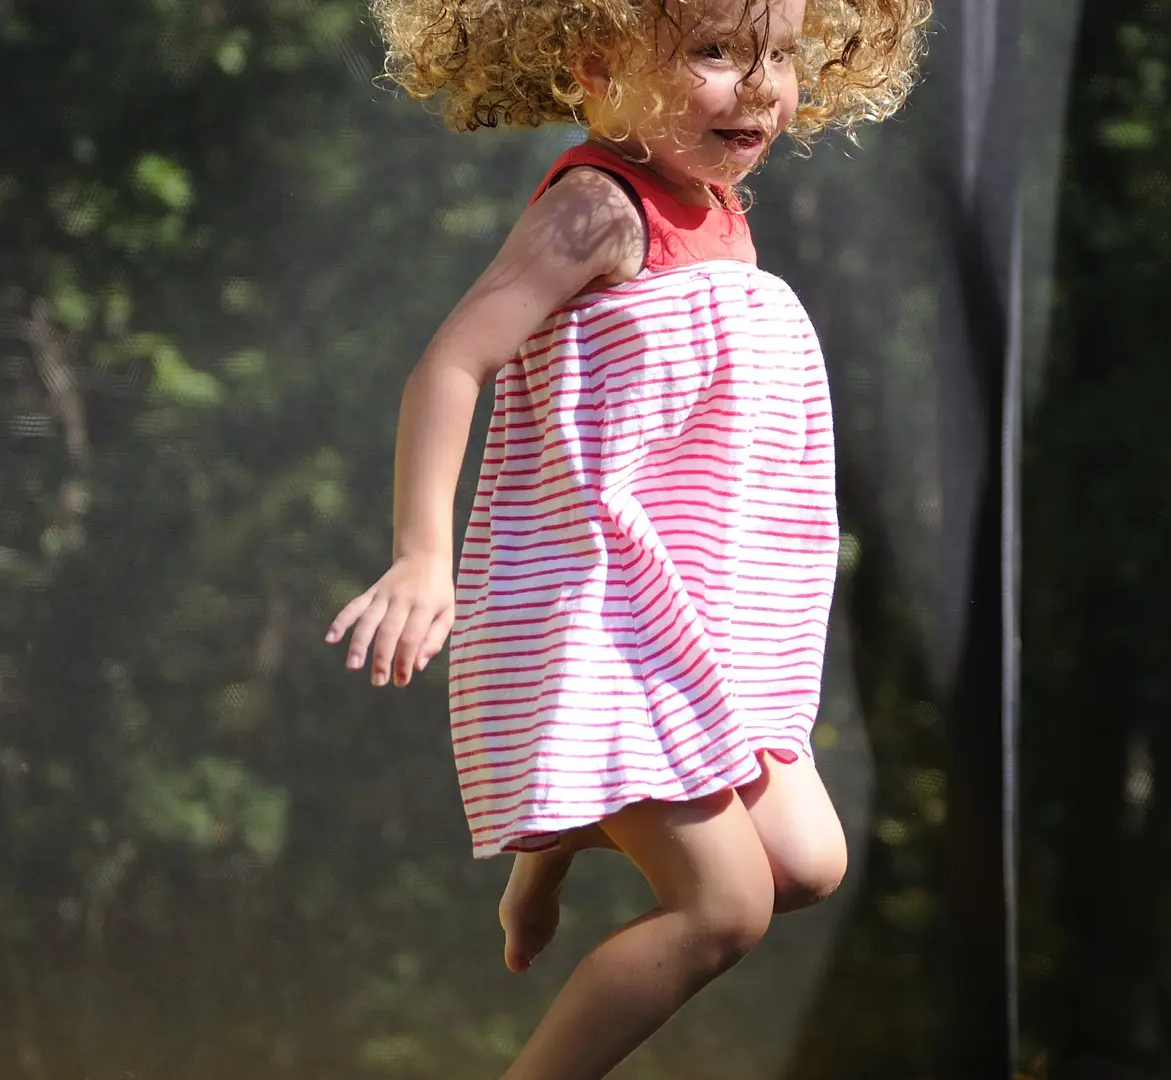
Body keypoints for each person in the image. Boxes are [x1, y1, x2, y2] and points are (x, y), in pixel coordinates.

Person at [323, 0, 927, 1074]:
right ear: (603, 64)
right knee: (725, 908)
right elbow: (451, 364)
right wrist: (424, 554)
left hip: (687, 618)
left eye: (778, 57)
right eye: (714, 53)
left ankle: (551, 839)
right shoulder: (600, 209)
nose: (758, 87)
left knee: (809, 863)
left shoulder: (719, 206)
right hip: (596, 612)